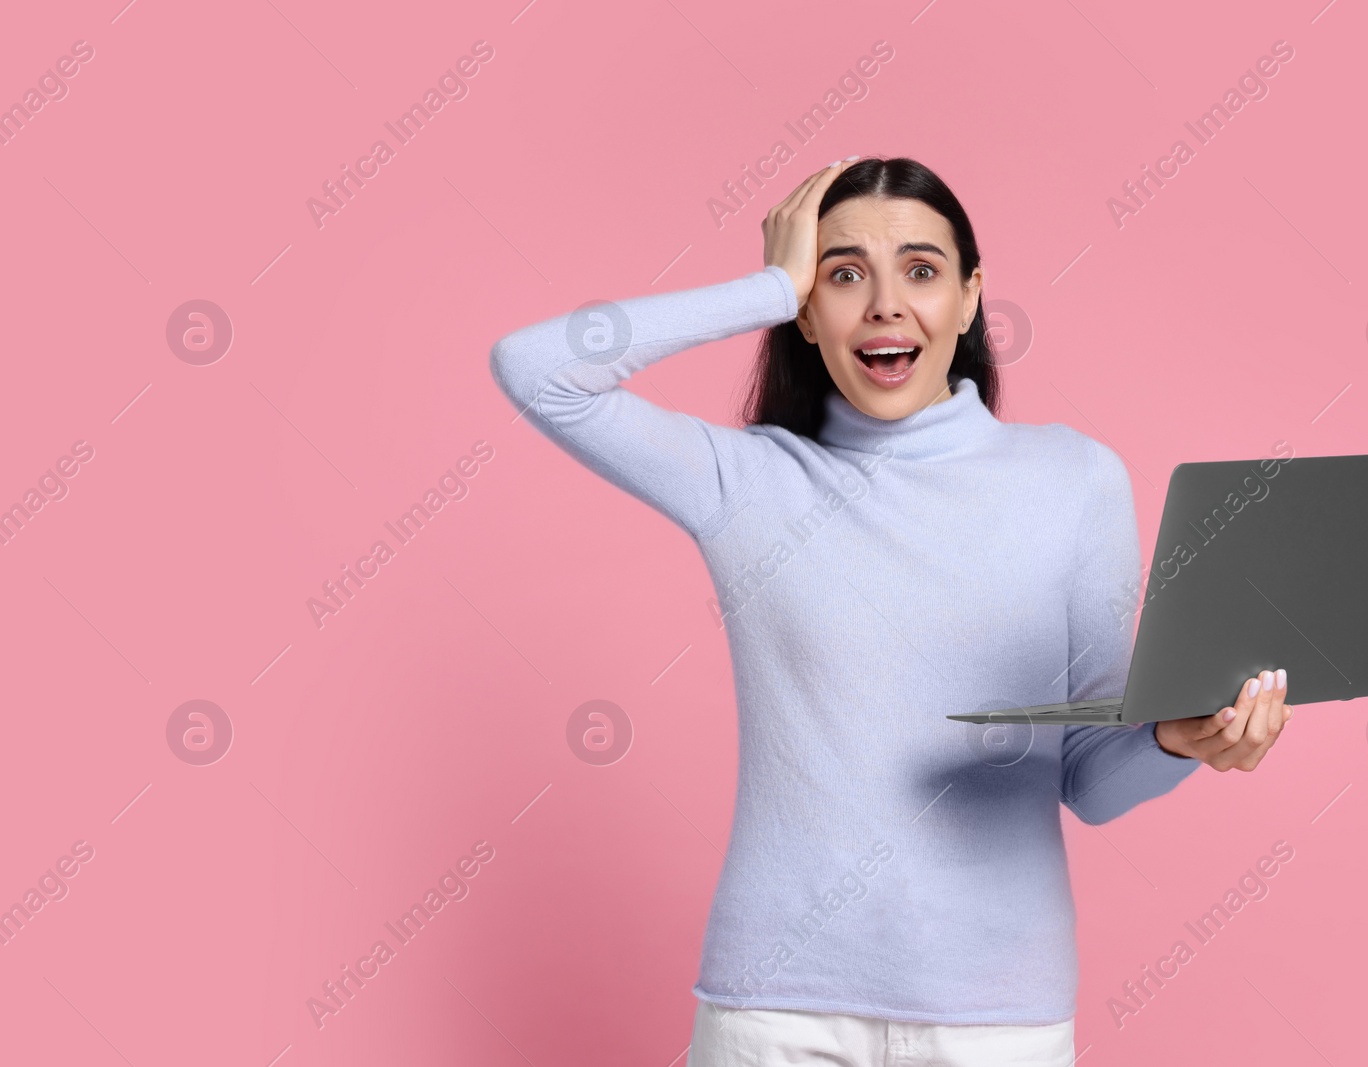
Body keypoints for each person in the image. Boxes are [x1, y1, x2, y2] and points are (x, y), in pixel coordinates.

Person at [489, 156, 1291, 1066]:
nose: (883, 306)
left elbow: (1093, 781)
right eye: (842, 275)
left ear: (970, 295)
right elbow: (538, 368)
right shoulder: (747, 481)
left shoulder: (1074, 480)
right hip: (776, 1013)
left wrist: (1179, 740)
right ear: (805, 309)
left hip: (996, 1017)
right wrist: (761, 287)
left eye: (920, 270)